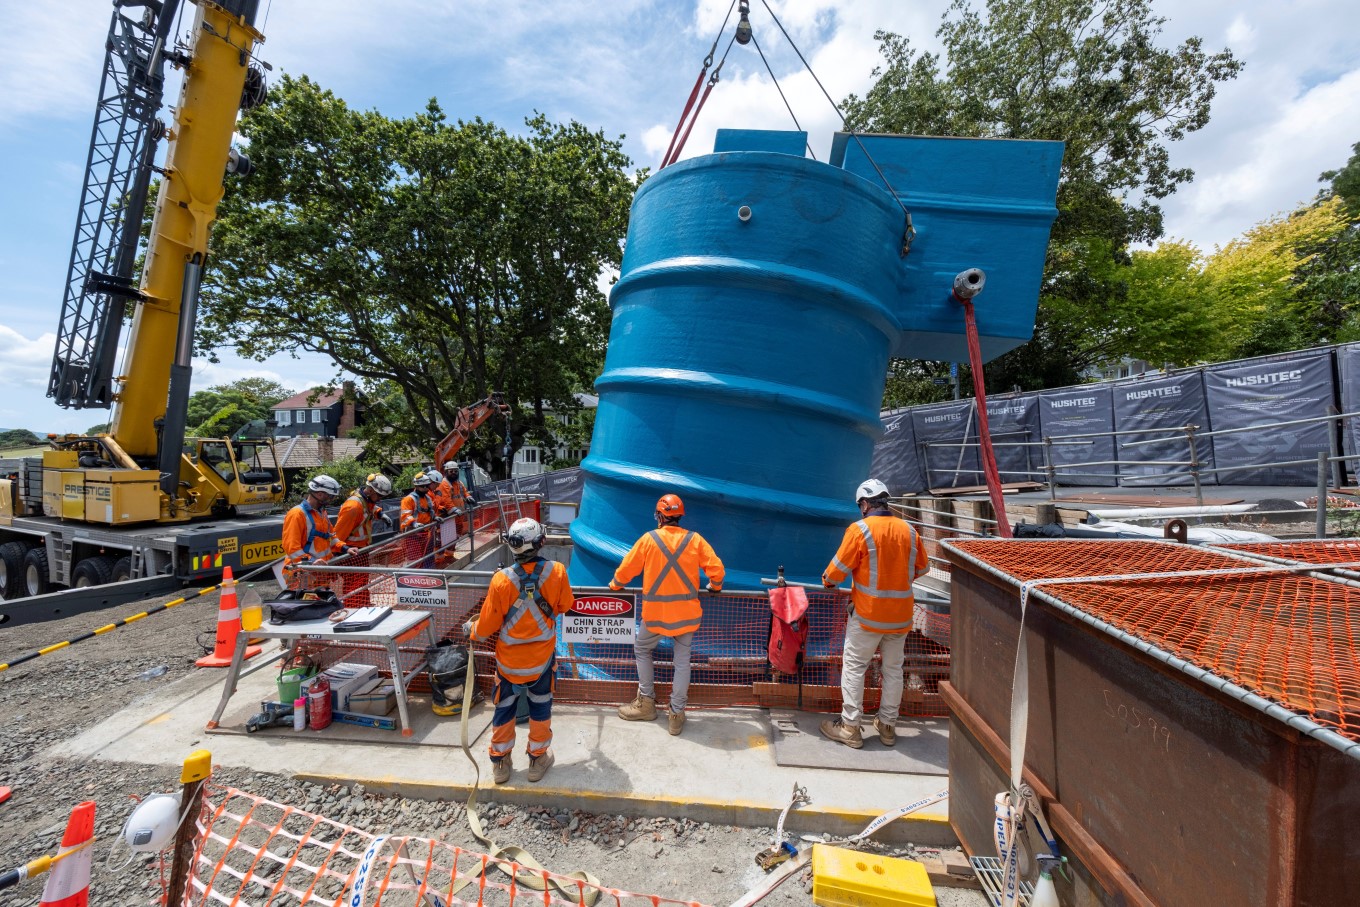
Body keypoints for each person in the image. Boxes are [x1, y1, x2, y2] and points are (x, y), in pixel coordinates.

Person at [819, 478, 929, 749]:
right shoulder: (909, 530)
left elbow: (835, 572)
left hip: (867, 616)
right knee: (893, 670)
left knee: (855, 668)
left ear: (866, 503)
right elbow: (922, 568)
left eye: (861, 505)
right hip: (901, 616)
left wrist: (827, 581)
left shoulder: (860, 530)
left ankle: (850, 728)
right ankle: (887, 726)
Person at [462, 518, 573, 784]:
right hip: (541, 663)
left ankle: (500, 763)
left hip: (509, 665)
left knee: (504, 709)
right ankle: (537, 759)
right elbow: (565, 605)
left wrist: (471, 630)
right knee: (540, 707)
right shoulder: (557, 571)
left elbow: (487, 626)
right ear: (540, 542)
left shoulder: (501, 580)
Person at [610, 493, 724, 736]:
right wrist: (714, 587)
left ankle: (647, 703)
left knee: (642, 649)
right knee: (682, 662)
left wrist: (615, 585)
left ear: (660, 516)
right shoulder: (695, 540)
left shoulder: (648, 540)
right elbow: (717, 570)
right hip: (685, 617)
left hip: (655, 616)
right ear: (679, 517)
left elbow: (626, 569)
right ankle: (676, 714)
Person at [281, 474, 355, 586]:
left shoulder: (322, 513)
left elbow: (330, 536)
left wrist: (344, 548)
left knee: (323, 602)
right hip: (301, 574)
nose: (332, 499)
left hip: (320, 571)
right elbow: (291, 548)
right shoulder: (296, 514)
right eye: (330, 496)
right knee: (304, 602)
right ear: (320, 494)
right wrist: (311, 562)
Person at [334, 473, 392, 549]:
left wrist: (379, 513)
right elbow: (338, 535)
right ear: (371, 491)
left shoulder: (365, 500)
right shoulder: (353, 507)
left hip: (361, 548)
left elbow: (368, 507)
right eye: (380, 495)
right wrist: (342, 550)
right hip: (350, 551)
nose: (380, 499)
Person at [401, 472, 438, 567]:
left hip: (426, 533)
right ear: (417, 486)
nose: (426, 488)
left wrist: (435, 517)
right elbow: (405, 515)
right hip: (413, 534)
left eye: (427, 486)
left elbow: (429, 511)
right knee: (414, 558)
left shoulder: (427, 498)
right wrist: (413, 523)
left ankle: (428, 574)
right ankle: (415, 577)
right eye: (423, 486)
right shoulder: (408, 499)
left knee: (428, 555)